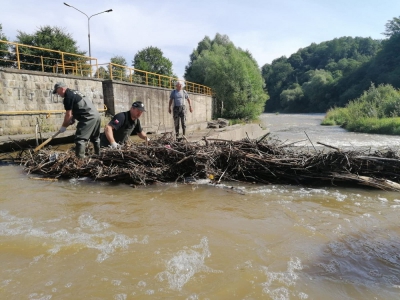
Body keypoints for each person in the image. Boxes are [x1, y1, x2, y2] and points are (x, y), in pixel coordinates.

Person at [53, 82, 101, 158]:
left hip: (88, 117)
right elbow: (80, 106)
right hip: (96, 115)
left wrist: (64, 126)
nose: (58, 94)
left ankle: (80, 160)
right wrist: (73, 117)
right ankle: (99, 155)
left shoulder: (68, 97)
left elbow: (68, 115)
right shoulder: (75, 92)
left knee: (80, 139)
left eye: (57, 91)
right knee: (95, 138)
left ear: (61, 89)